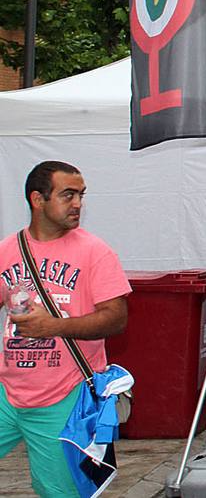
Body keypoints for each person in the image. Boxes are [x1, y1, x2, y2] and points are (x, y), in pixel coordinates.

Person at [0, 161, 130, 498]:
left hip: (63, 397)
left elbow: (116, 319)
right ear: (37, 199)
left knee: (58, 491)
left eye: (81, 195)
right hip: (7, 391)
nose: (77, 204)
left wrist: (51, 326)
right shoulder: (7, 250)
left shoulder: (95, 252)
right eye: (68, 195)